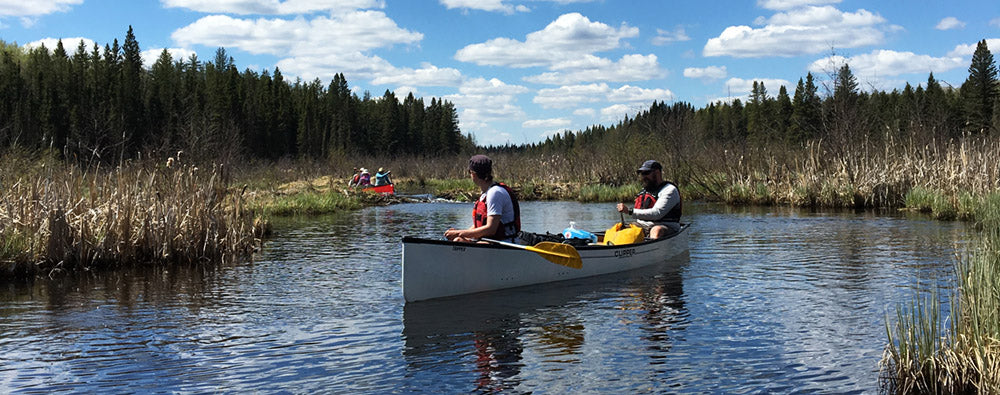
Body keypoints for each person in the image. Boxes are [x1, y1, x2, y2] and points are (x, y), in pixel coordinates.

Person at [445, 155, 521, 243]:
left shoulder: (495, 193)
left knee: (458, 241)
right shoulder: (486, 193)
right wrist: (460, 233)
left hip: (505, 243)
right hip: (491, 241)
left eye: (469, 172)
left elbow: (490, 229)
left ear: (473, 173)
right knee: (458, 240)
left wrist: (460, 233)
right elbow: (479, 226)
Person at [616, 159, 682, 239]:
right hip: (643, 226)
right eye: (641, 174)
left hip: (666, 226)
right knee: (619, 229)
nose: (643, 177)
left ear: (657, 173)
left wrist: (629, 211)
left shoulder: (669, 190)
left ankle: (651, 248)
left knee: (656, 230)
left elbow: (657, 214)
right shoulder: (645, 191)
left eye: (646, 173)